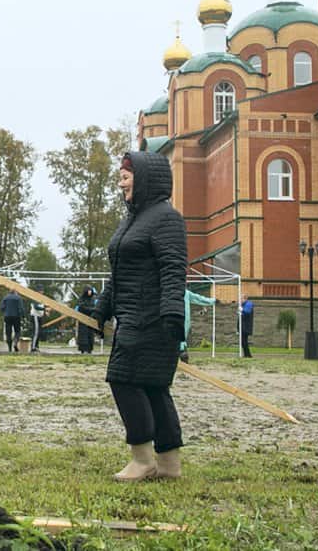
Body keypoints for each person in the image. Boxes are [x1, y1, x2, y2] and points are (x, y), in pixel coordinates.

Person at [95, 151, 188, 482]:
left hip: (153, 318)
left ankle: (143, 458)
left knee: (125, 380)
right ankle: (169, 465)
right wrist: (103, 306)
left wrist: (173, 315)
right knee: (153, 387)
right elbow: (118, 270)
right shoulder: (132, 220)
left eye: (126, 175)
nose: (120, 182)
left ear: (146, 178)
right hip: (129, 315)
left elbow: (174, 269)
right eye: (120, 176)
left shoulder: (167, 218)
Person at [180, 290, 217, 363]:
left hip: (182, 323)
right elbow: (198, 298)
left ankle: (183, 357)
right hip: (177, 323)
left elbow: (198, 298)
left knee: (181, 344)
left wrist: (213, 301)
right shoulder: (183, 292)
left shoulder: (186, 293)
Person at [1, 288, 26, 353]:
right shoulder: (18, 298)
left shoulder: (5, 298)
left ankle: (9, 348)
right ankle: (15, 342)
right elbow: (21, 308)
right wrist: (23, 316)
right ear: (15, 292)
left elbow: (2, 307)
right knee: (17, 331)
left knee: (8, 332)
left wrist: (5, 312)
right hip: (16, 316)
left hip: (7, 316)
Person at [75, 286, 97, 354]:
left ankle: (90, 349)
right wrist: (91, 309)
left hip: (90, 319)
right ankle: (83, 349)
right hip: (83, 319)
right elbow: (81, 307)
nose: (90, 292)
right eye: (88, 290)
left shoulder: (93, 299)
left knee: (90, 334)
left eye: (91, 290)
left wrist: (92, 310)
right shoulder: (81, 299)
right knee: (83, 334)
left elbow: (95, 307)